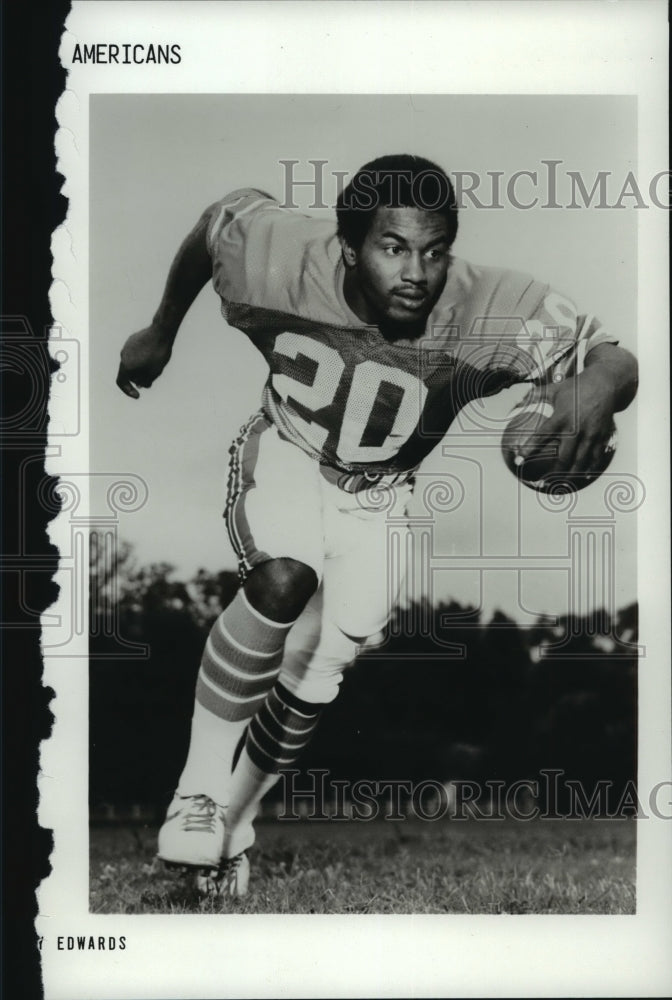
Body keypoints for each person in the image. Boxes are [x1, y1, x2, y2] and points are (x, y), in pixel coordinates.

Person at [116, 154, 637, 898]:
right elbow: (213, 227)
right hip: (292, 450)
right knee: (284, 575)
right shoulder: (278, 254)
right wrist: (160, 330)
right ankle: (197, 791)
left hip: (385, 494)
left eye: (434, 250)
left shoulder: (490, 304)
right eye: (393, 247)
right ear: (348, 244)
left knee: (320, 668)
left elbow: (611, 353)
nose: (417, 271)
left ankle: (230, 828)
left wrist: (596, 388)